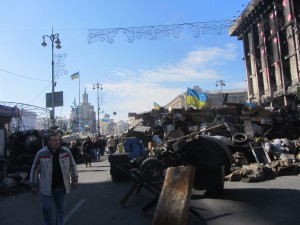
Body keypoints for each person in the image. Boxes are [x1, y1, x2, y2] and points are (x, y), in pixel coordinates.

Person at [30, 132, 78, 225]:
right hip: (46, 187)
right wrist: (33, 184)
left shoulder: (66, 151)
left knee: (60, 209)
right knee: (45, 207)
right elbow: (35, 169)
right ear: (49, 142)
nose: (56, 142)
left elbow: (73, 165)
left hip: (61, 186)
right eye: (54, 140)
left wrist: (74, 179)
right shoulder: (42, 153)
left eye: (58, 140)